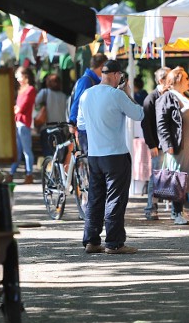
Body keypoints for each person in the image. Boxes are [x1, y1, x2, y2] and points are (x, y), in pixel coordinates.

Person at [78, 60, 144, 254]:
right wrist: (128, 93)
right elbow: (139, 114)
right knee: (115, 198)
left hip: (95, 154)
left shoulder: (86, 94)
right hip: (115, 153)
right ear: (116, 75)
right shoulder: (117, 95)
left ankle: (91, 240)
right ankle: (114, 242)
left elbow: (81, 124)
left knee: (95, 198)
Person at [156, 66, 189, 225]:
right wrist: (167, 143)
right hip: (178, 145)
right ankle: (176, 212)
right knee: (177, 177)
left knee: (186, 177)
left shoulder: (185, 96)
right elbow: (162, 123)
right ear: (177, 80)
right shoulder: (168, 97)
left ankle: (181, 210)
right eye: (186, 78)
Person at [141, 67, 170, 220]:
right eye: (169, 79)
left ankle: (173, 209)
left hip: (169, 143)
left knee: (169, 175)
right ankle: (150, 207)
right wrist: (152, 144)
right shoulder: (151, 98)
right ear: (161, 80)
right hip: (158, 144)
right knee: (156, 176)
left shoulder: (171, 96)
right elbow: (146, 123)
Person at [68, 53, 107, 154]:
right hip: (85, 129)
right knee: (89, 158)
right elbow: (77, 102)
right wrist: (72, 122)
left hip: (92, 127)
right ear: (102, 66)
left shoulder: (93, 80)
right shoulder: (86, 81)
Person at [8, 66, 37, 184]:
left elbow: (21, 107)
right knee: (19, 151)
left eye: (19, 77)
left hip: (23, 123)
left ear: (25, 76)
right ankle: (11, 173)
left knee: (26, 151)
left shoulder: (29, 89)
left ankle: (29, 174)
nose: (18, 79)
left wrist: (15, 109)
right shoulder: (23, 90)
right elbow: (18, 108)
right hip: (19, 123)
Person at [35, 73, 67, 157]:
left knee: (48, 152)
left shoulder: (44, 92)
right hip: (60, 129)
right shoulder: (64, 96)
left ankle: (49, 169)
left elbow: (35, 104)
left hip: (47, 127)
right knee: (60, 154)